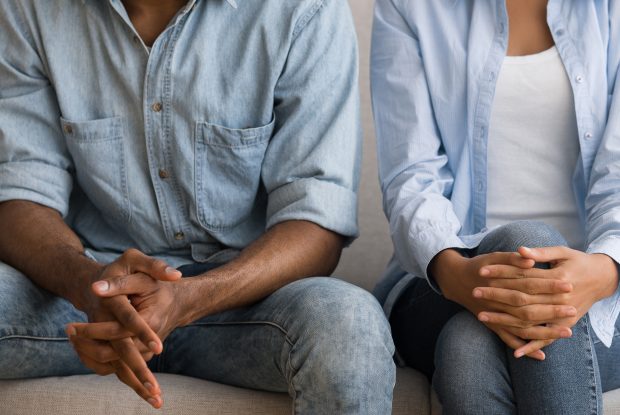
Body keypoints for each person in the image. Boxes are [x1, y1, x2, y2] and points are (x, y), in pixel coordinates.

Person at [0, 0, 396, 413]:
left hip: (244, 304)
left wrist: (187, 298)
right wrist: (90, 285)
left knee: (348, 322)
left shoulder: (304, 9)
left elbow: (315, 222)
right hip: (84, 298)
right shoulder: (28, 8)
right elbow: (19, 195)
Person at [371, 0, 620, 413]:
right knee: (531, 244)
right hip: (444, 280)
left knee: (467, 350)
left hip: (596, 288)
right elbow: (410, 177)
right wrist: (456, 274)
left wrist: (605, 270)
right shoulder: (410, 7)